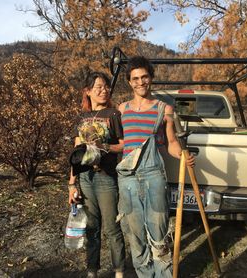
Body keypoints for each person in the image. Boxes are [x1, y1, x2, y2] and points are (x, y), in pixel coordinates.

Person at [117, 56, 195, 278]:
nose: (140, 82)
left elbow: (170, 143)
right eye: (135, 79)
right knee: (136, 235)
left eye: (144, 77)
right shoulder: (121, 109)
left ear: (151, 78)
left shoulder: (164, 109)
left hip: (153, 176)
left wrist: (182, 156)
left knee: (159, 234)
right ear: (129, 82)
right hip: (128, 179)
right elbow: (122, 144)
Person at [68, 72, 125, 278]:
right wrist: (71, 185)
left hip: (106, 178)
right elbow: (75, 154)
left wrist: (105, 146)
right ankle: (92, 271)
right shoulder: (81, 118)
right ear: (88, 91)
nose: (104, 90)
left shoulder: (113, 114)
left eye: (106, 87)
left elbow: (123, 145)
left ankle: (119, 271)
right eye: (98, 87)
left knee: (111, 229)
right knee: (91, 228)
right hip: (85, 179)